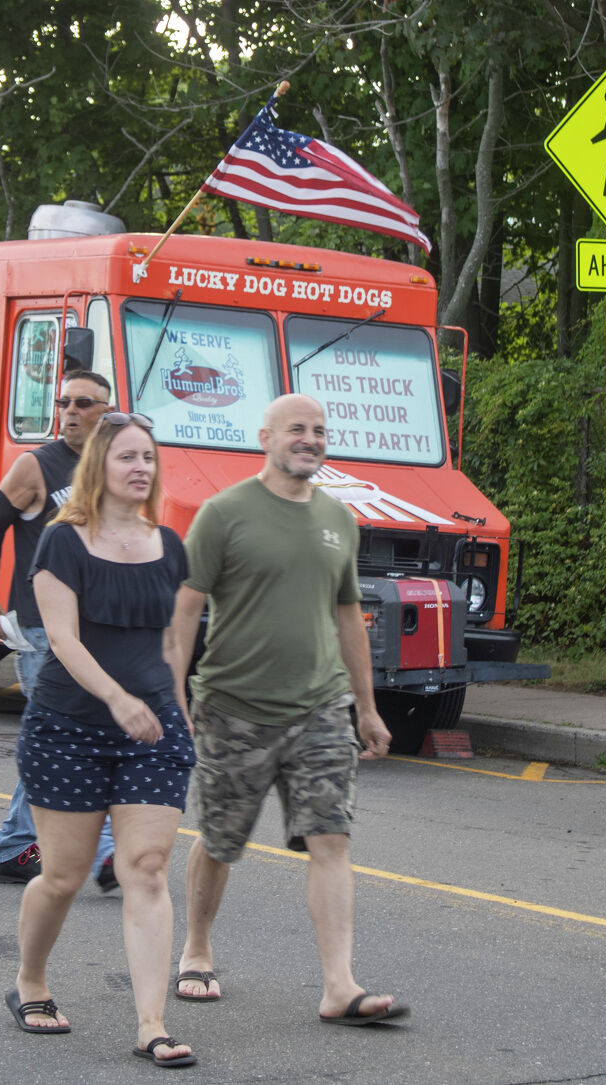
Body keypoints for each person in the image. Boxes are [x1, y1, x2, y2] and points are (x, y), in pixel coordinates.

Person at [165, 394, 405, 1027]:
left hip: (321, 708)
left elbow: (349, 614)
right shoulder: (224, 514)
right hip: (233, 707)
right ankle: (196, 947)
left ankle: (339, 985)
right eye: (297, 428)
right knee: (220, 840)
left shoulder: (337, 519)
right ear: (265, 437)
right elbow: (186, 608)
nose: (310, 438)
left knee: (332, 839)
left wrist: (367, 708)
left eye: (320, 430)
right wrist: (173, 698)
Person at [5, 412, 197, 1067]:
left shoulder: (169, 545)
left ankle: (152, 1023)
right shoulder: (63, 542)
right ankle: (30, 979)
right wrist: (116, 698)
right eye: (126, 457)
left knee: (145, 868)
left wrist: (181, 708)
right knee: (62, 877)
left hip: (152, 729)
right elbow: (61, 638)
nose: (140, 467)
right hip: (70, 727)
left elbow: (171, 641)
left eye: (148, 456)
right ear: (100, 467)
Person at [0, 368, 118, 889]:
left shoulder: (110, 467)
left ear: (107, 413)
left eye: (85, 404)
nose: (71, 412)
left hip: (90, 628)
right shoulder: (37, 464)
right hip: (39, 626)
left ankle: (15, 846)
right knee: (76, 734)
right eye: (65, 402)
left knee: (54, 736)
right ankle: (105, 853)